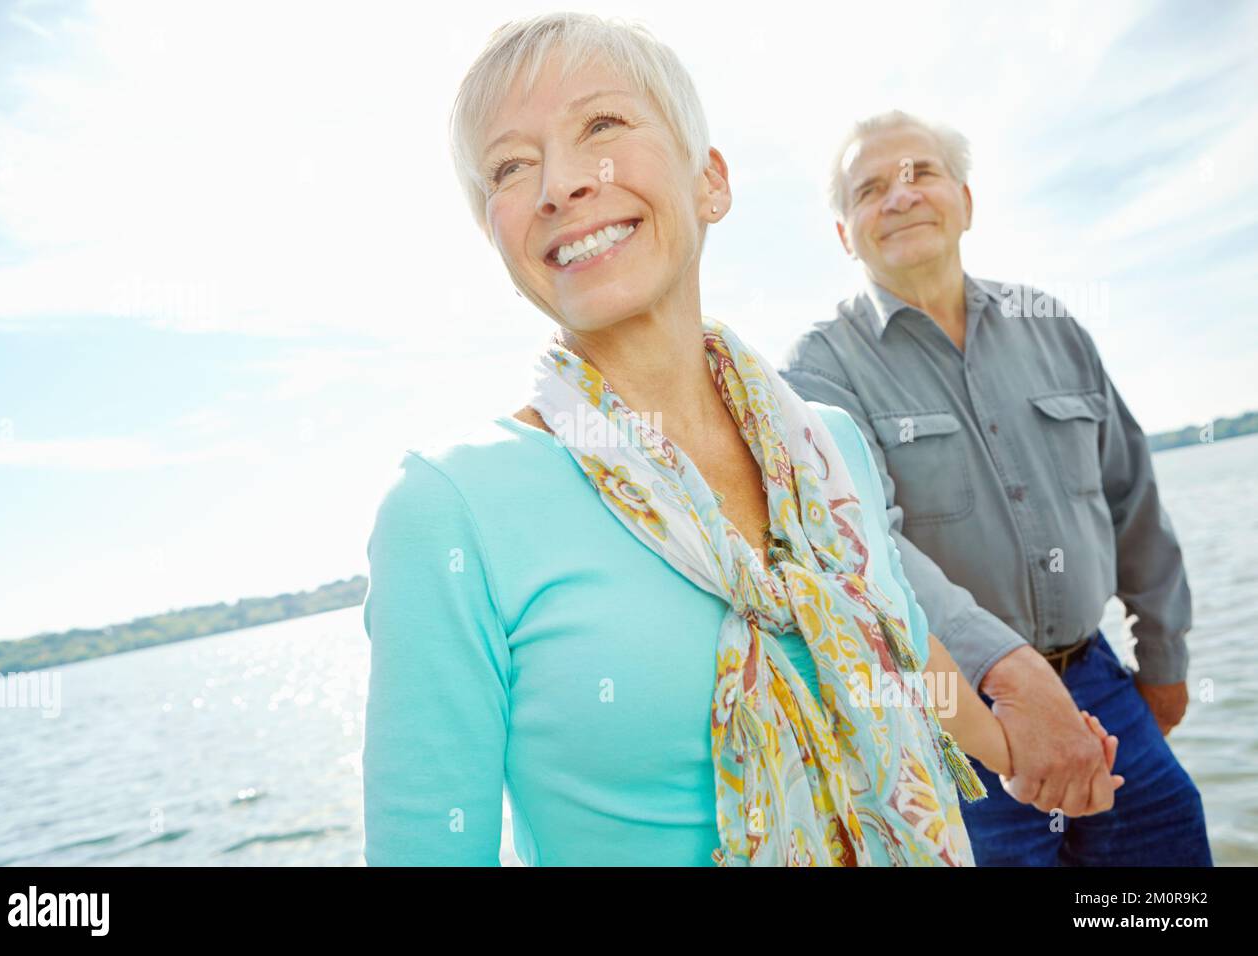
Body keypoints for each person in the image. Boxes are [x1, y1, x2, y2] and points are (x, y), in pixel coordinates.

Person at [360, 15, 1115, 867]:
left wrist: (1018, 754)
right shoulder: (449, 509)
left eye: (601, 126)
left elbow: (898, 645)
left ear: (710, 182)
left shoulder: (829, 446)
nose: (561, 183)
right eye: (509, 165)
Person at [779, 109, 1211, 866]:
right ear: (844, 233)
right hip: (949, 720)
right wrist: (1003, 676)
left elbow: (1132, 499)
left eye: (921, 174)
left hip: (1106, 689)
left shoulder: (1054, 329)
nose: (900, 197)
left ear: (966, 201)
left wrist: (1165, 659)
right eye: (870, 188)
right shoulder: (818, 372)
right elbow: (866, 547)